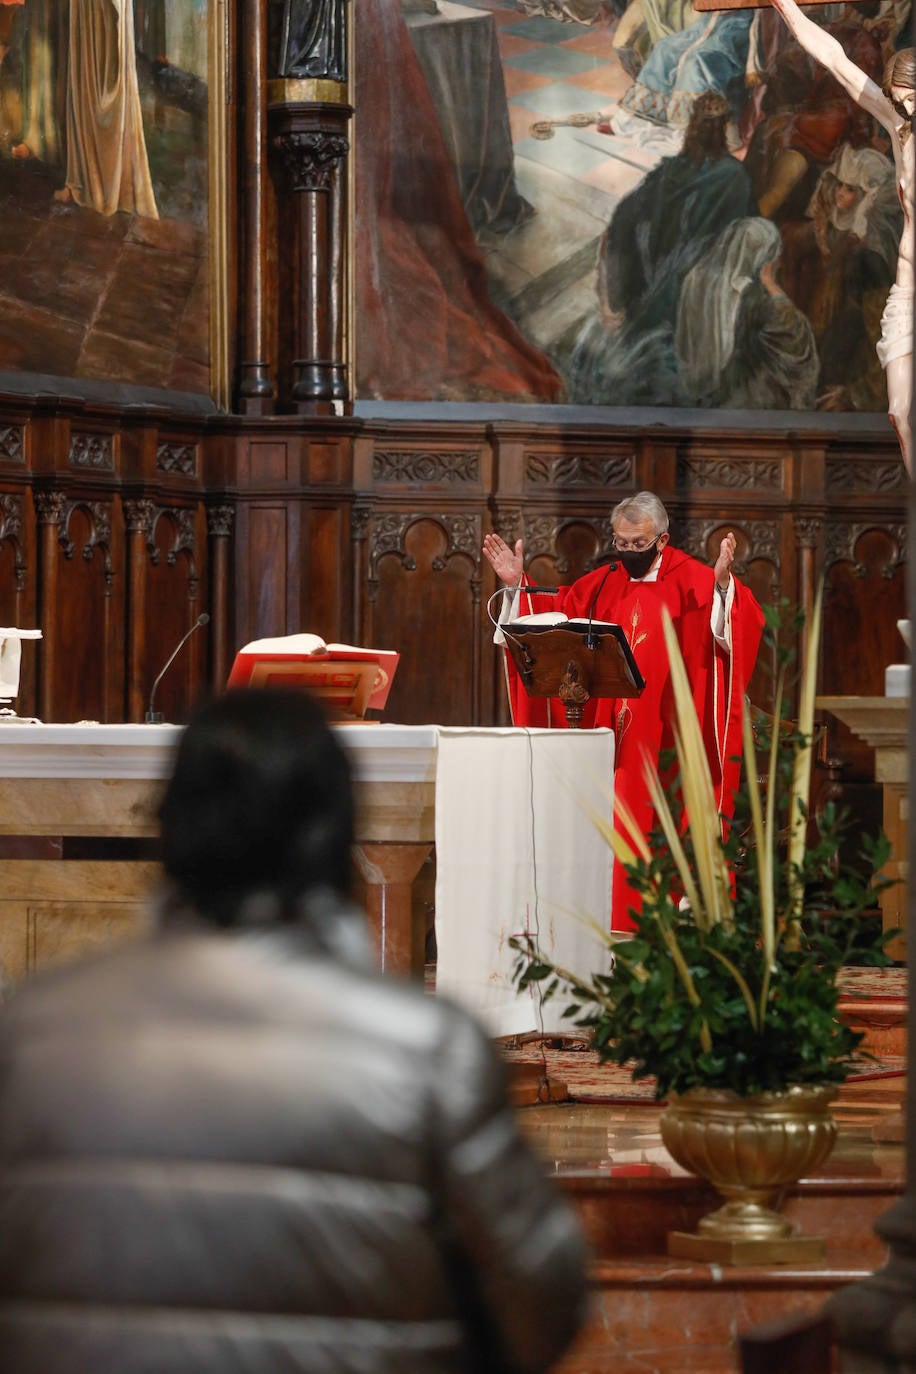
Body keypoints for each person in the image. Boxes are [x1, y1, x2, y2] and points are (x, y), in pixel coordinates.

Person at [0, 688, 588, 1373]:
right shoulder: (426, 1050)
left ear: (172, 828)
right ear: (334, 835)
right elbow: (542, 1302)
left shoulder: (28, 1031)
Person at [483, 492, 764, 933]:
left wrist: (726, 588)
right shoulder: (602, 582)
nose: (629, 552)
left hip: (666, 740)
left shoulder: (695, 580)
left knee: (662, 827)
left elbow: (738, 629)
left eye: (638, 543)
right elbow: (555, 622)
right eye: (621, 542)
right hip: (605, 740)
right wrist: (519, 587)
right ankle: (598, 927)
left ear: (662, 539)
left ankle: (665, 929)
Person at [770, 0, 914, 472]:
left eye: (912, 97)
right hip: (909, 290)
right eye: (899, 99)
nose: (905, 108)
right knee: (898, 413)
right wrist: (785, 5)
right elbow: (834, 58)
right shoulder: (898, 127)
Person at [568, 90, 757, 405]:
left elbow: (623, 221)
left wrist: (614, 294)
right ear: (724, 129)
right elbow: (748, 236)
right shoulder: (735, 177)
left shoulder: (670, 171)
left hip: (662, 287)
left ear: (692, 128)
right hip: (695, 293)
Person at [676, 215, 819, 410]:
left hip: (700, 391)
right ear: (762, 258)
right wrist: (771, 284)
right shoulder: (751, 294)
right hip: (737, 398)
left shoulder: (695, 278)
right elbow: (793, 333)